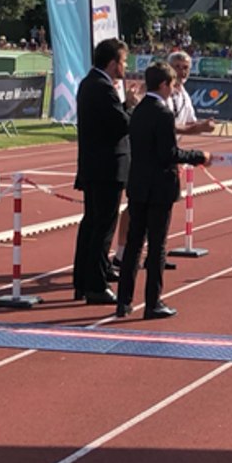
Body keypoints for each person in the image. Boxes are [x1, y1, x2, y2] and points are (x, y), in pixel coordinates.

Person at [116, 62, 211, 319]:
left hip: (138, 184)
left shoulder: (138, 111)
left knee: (135, 244)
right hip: (159, 187)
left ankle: (123, 302)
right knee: (157, 245)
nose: (173, 90)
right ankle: (152, 303)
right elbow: (169, 154)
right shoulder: (162, 113)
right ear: (163, 85)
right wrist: (199, 156)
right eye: (171, 85)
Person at [73, 38, 141, 305]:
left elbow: (110, 121)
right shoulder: (102, 87)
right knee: (102, 227)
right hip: (106, 168)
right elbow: (120, 125)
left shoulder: (91, 84)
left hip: (96, 166)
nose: (125, 66)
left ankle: (84, 279)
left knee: (91, 224)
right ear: (113, 63)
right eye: (123, 61)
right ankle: (95, 285)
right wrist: (132, 106)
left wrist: (124, 107)